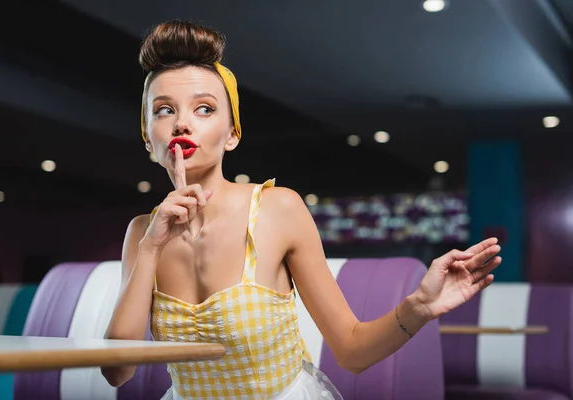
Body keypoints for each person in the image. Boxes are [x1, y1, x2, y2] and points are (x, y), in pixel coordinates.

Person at [102, 20, 502, 400]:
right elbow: (117, 372)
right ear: (147, 140)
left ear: (232, 135)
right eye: (164, 110)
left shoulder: (279, 209)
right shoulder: (142, 232)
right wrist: (152, 246)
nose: (182, 124)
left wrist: (419, 307)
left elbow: (351, 350)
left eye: (204, 109)